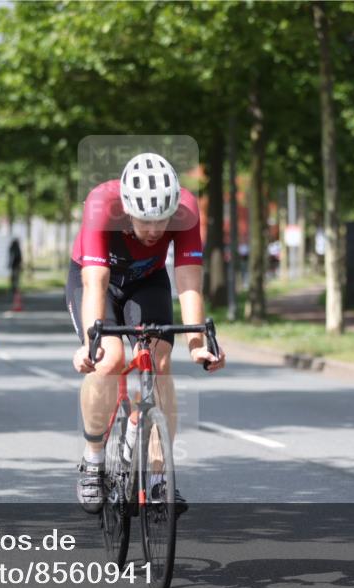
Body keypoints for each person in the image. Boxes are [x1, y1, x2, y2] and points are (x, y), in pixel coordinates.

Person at [66, 152, 226, 515]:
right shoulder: (101, 204)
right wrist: (92, 345)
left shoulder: (187, 209)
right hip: (98, 280)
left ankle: (158, 478)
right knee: (110, 359)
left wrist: (198, 345)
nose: (155, 230)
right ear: (127, 208)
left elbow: (188, 281)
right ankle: (93, 460)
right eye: (145, 220)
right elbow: (95, 282)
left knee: (160, 363)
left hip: (147, 280)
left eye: (162, 220)